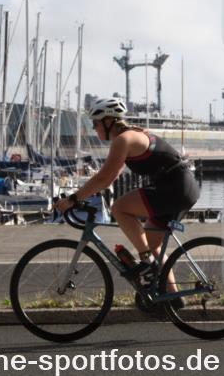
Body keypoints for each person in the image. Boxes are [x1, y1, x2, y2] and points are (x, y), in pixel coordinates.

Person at [54, 97, 199, 298]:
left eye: (95, 124)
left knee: (119, 208)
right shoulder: (130, 136)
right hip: (181, 188)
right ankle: (172, 298)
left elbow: (104, 178)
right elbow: (110, 177)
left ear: (108, 121)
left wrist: (72, 199)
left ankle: (146, 263)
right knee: (154, 246)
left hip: (175, 188)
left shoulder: (124, 139)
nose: (94, 129)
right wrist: (85, 194)